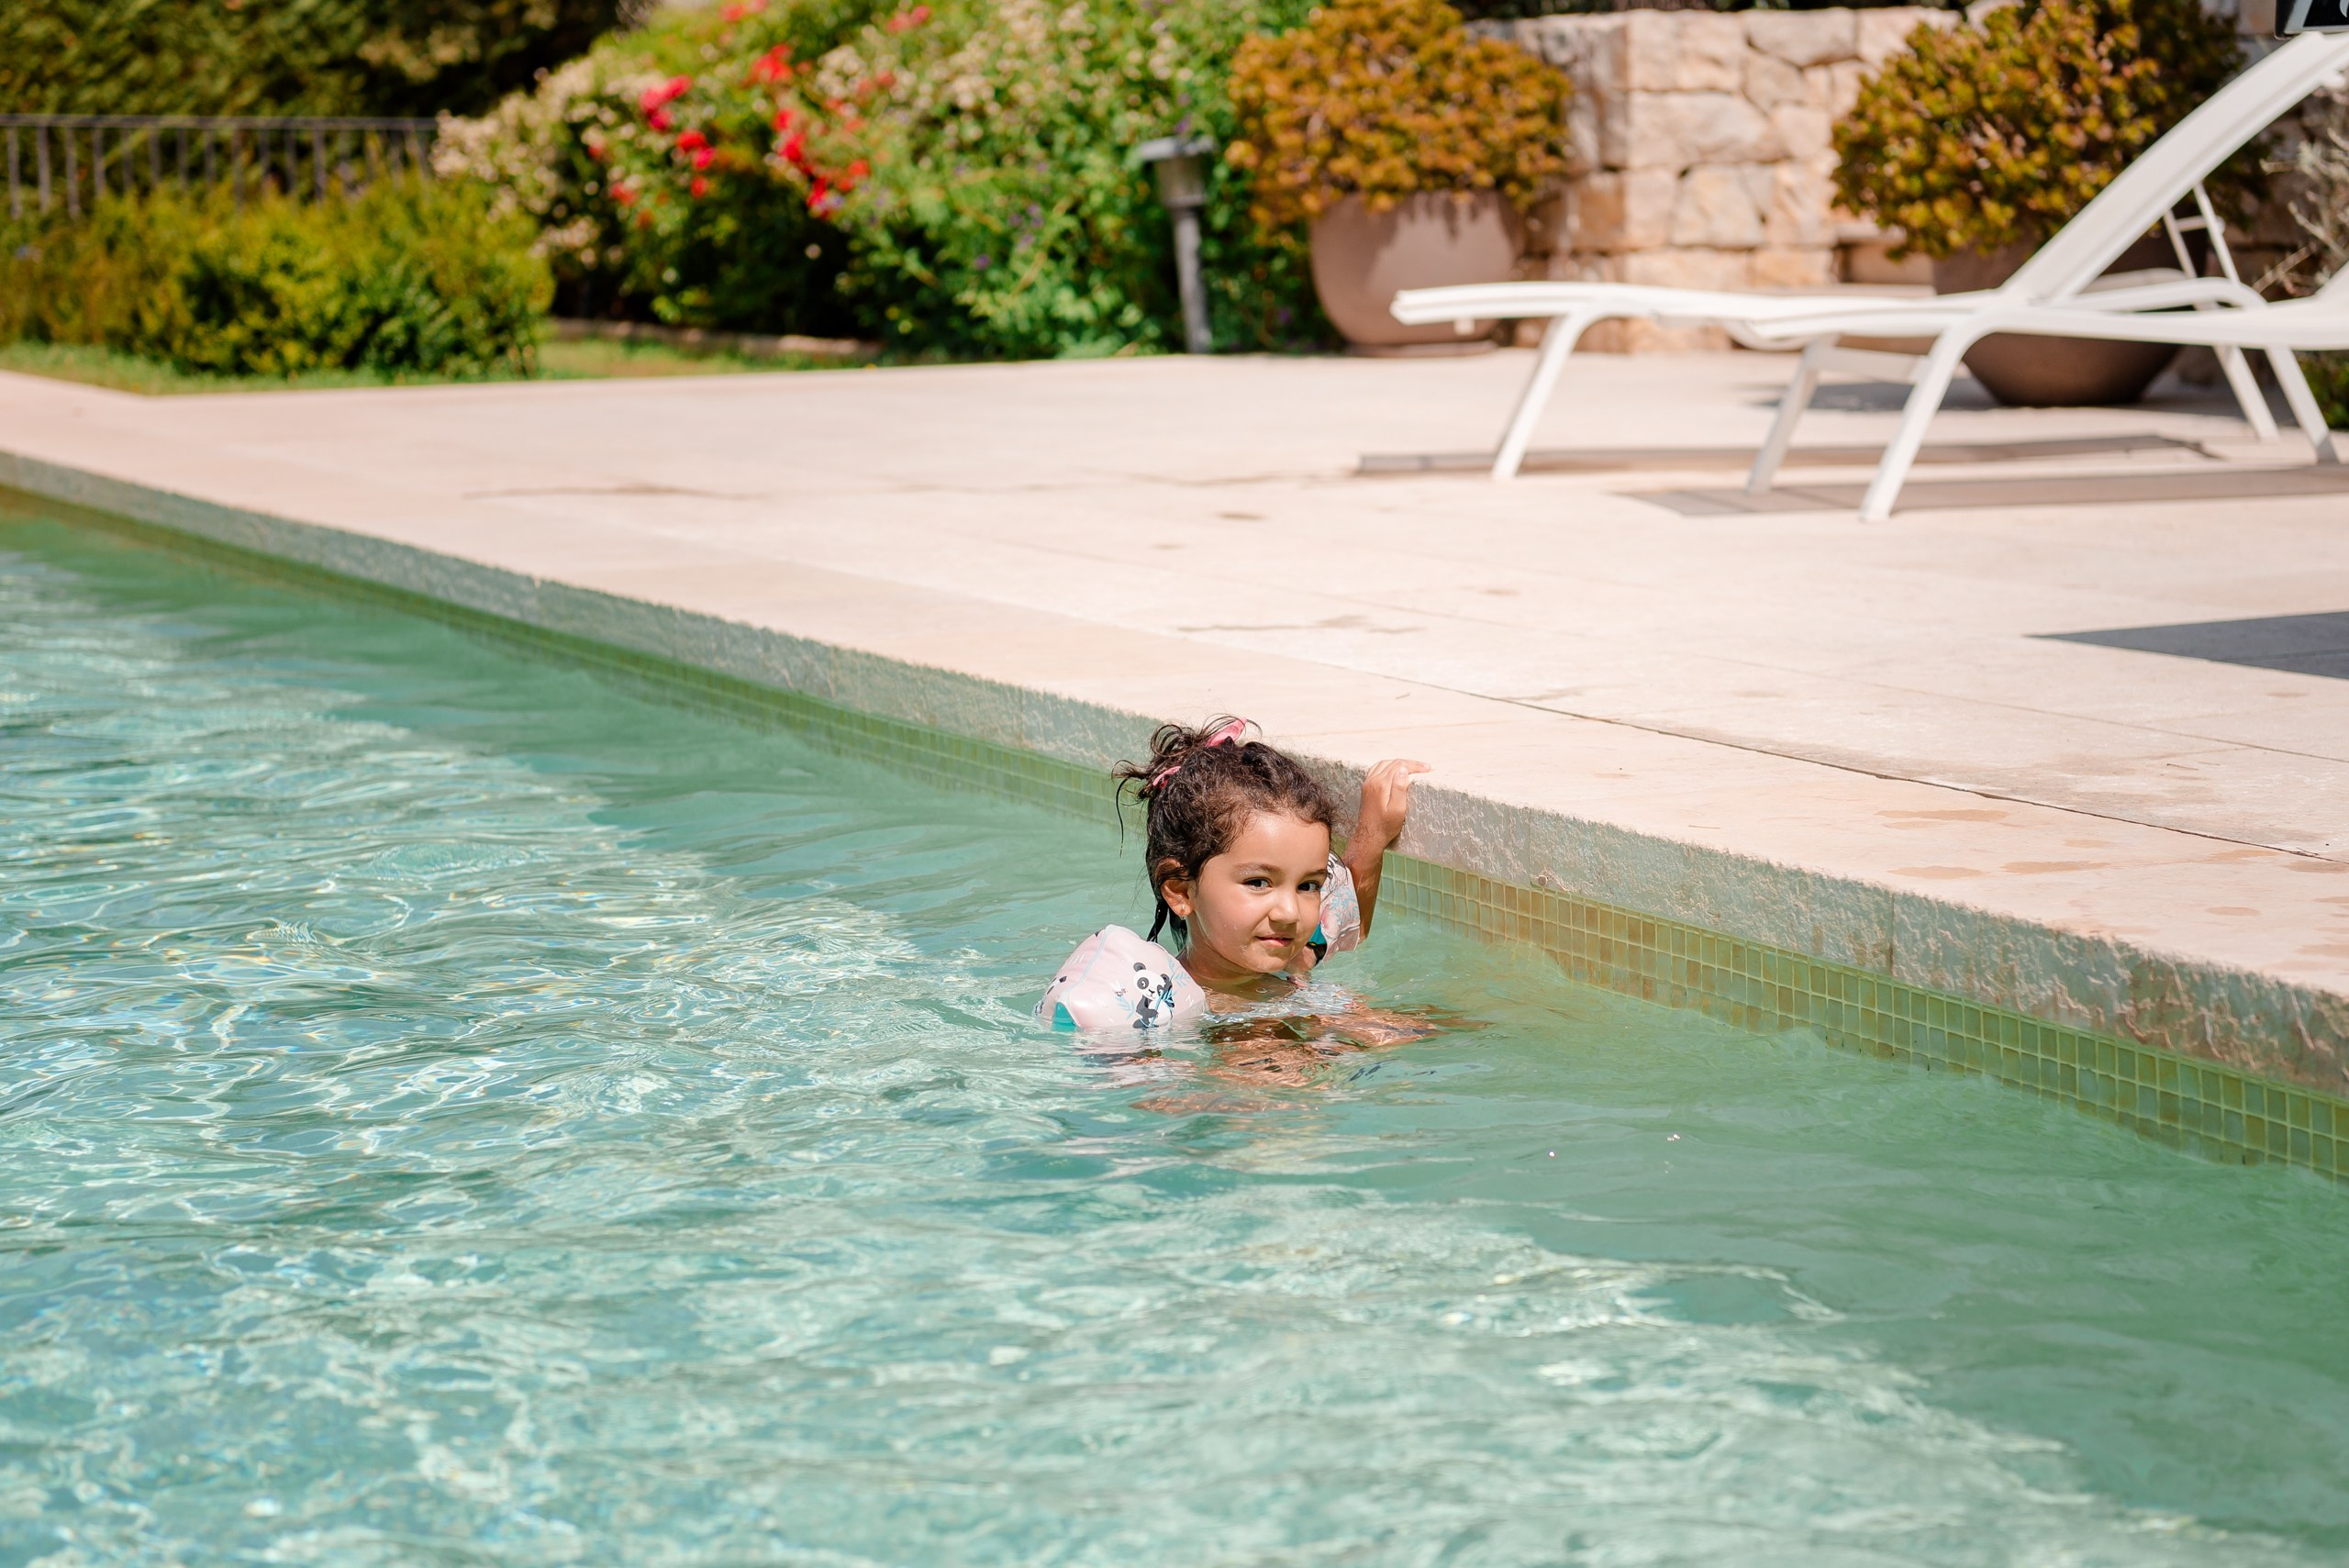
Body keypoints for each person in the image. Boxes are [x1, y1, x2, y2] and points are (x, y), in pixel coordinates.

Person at [1038, 717, 1427, 1035]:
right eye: (1258, 883)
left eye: (1308, 885)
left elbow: (1344, 917)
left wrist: (1372, 836)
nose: (1290, 911)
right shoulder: (1178, 1007)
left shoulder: (1292, 960)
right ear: (1180, 891)